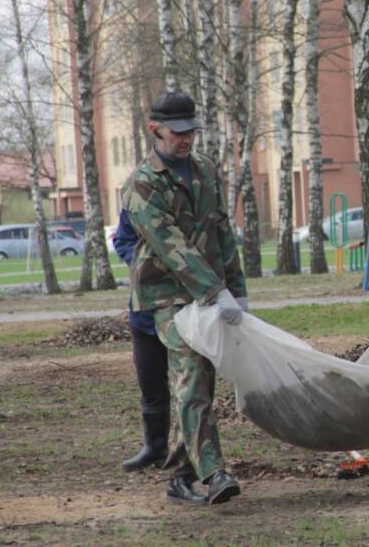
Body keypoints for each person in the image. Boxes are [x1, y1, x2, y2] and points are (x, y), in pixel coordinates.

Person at [122, 91, 249, 506]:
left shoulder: (206, 169)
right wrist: (216, 291)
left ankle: (180, 475)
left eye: (192, 131)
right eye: (178, 133)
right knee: (192, 370)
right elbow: (170, 244)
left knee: (201, 381)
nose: (187, 139)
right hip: (164, 296)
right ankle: (213, 473)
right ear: (154, 129)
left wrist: (238, 290)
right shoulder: (143, 183)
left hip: (209, 292)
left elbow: (222, 230)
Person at [114, 208, 170, 473]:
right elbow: (122, 239)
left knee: (190, 389)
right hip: (144, 310)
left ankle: (189, 452)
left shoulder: (188, 186)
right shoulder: (136, 196)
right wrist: (142, 263)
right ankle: (155, 447)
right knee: (150, 384)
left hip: (183, 308)